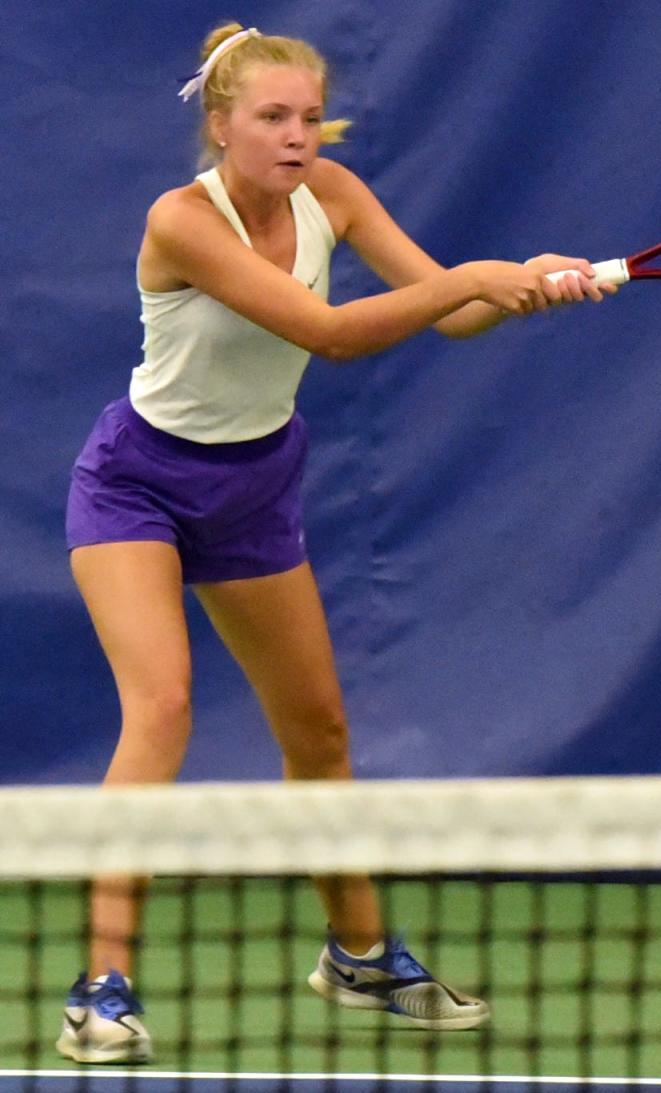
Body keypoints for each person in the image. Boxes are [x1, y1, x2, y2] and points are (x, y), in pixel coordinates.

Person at [56, 21, 615, 1065]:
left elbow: (449, 314)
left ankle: (359, 954)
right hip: (138, 484)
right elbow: (333, 334)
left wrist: (520, 284)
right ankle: (101, 985)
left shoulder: (337, 197)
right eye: (272, 117)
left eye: (310, 117)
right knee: (163, 705)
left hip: (255, 483)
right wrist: (474, 277)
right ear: (222, 125)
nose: (297, 136)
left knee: (316, 732)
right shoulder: (181, 221)